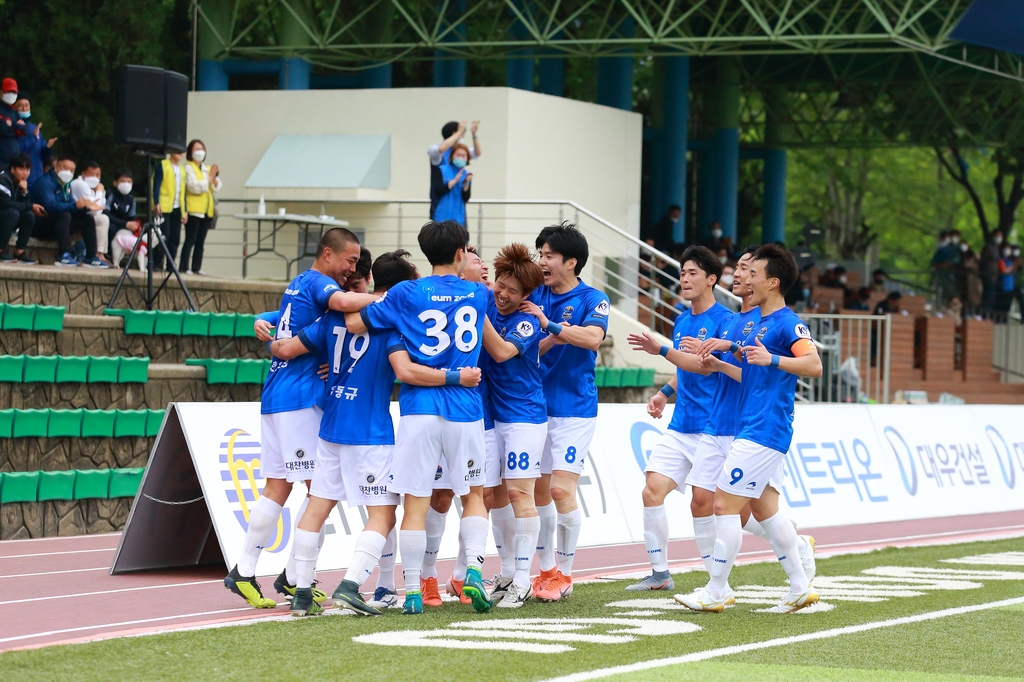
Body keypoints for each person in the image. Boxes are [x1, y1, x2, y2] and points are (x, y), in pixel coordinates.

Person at [269, 250, 485, 616]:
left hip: (330, 427)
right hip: (371, 432)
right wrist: (456, 376)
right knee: (384, 514)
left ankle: (302, 592)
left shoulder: (332, 318)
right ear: (403, 285)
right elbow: (405, 371)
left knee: (317, 507)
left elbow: (286, 347)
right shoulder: (393, 325)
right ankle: (354, 585)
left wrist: (268, 331)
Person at [345, 219, 493, 616]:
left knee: (415, 502)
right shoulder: (479, 294)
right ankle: (474, 572)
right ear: (461, 253)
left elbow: (355, 322)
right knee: (473, 494)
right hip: (464, 405)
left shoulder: (407, 292)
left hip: (419, 409)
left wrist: (386, 310)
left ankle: (412, 590)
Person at [224, 228, 374, 609]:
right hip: (301, 399)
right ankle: (294, 578)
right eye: (350, 260)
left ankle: (245, 571)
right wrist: (387, 297)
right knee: (319, 490)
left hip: (276, 395)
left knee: (279, 487)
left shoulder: (299, 283)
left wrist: (262, 318)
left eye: (357, 265)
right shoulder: (322, 286)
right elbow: (337, 301)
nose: (350, 268)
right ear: (328, 254)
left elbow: (283, 317)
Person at [678, 243, 822, 614]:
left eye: (752, 273)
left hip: (764, 429)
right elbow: (747, 358)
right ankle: (798, 585)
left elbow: (814, 364)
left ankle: (716, 589)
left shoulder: (788, 322)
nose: (743, 278)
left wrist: (773, 358)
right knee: (766, 510)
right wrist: (728, 349)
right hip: (751, 427)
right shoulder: (758, 322)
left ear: (772, 282)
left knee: (723, 503)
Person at [624, 245, 732, 591]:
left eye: (693, 273)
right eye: (682, 273)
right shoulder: (682, 319)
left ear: (711, 279)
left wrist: (660, 350)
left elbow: (702, 367)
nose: (684, 279)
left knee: (718, 507)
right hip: (680, 426)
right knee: (651, 490)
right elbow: (683, 369)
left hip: (713, 429)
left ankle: (721, 578)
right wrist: (663, 394)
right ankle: (660, 574)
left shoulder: (725, 321)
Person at [518, 222, 611, 603]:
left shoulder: (593, 298)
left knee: (559, 488)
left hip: (575, 408)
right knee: (537, 491)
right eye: (540, 254)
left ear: (571, 262)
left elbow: (592, 338)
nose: (542, 261)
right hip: (534, 406)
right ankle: (546, 571)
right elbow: (527, 350)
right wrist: (550, 334)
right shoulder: (533, 295)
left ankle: (567, 574)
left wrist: (551, 325)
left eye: (550, 255)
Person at [421, 246, 495, 608]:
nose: (482, 265)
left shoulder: (479, 298)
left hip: (467, 408)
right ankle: (428, 577)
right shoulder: (430, 297)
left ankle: (469, 574)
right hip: (441, 406)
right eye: (474, 258)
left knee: (474, 494)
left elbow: (501, 349)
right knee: (440, 496)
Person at [479, 243, 547, 608]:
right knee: (494, 496)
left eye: (513, 291)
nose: (503, 295)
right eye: (500, 286)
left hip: (524, 417)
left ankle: (524, 577)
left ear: (526, 296)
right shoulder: (487, 300)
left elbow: (502, 352)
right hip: (490, 417)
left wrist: (480, 308)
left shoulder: (525, 320)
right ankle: (506, 571)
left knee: (521, 494)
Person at [28, 156, 106, 268]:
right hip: (39, 225)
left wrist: (86, 207)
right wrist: (76, 205)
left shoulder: (66, 185)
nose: (68, 172)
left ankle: (91, 257)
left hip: (57, 226)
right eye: (65, 168)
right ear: (56, 167)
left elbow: (71, 206)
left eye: (71, 170)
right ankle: (64, 255)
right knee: (64, 215)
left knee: (87, 219)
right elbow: (50, 206)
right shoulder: (45, 183)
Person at [182, 139, 220, 275]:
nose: (200, 152)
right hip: (193, 210)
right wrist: (209, 178)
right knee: (190, 239)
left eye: (202, 149)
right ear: (190, 152)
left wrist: (214, 177)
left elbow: (216, 186)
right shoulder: (188, 167)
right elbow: (193, 186)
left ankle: (196, 267)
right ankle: (184, 267)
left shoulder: (206, 168)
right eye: (196, 149)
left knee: (200, 242)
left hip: (206, 210)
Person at [429, 120, 480, 219]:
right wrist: (458, 133)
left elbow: (477, 153)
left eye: (463, 156)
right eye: (462, 133)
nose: (460, 157)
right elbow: (441, 149)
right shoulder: (436, 149)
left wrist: (474, 135)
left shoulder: (464, 171)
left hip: (458, 211)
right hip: (441, 207)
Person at [0, 153, 44, 264]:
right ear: (13, 169)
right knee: (13, 213)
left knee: (29, 215)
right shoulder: (3, 180)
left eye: (28, 169)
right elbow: (7, 204)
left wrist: (24, 193)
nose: (25, 173)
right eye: (21, 169)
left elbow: (23, 207)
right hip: (5, 213)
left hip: (5, 215)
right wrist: (30, 206)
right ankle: (1, 250)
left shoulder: (20, 182)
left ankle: (19, 252)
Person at [151, 151, 188, 270]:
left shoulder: (182, 169)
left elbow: (183, 191)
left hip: (177, 207)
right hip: (164, 205)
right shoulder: (163, 165)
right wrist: (156, 202)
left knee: (175, 237)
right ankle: (157, 263)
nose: (180, 153)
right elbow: (156, 184)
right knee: (163, 235)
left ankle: (171, 264)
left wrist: (185, 210)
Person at [70, 161, 111, 264]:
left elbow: (100, 207)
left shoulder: (93, 187)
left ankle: (100, 254)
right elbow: (95, 210)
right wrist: (100, 191)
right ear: (83, 174)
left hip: (86, 218)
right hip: (75, 218)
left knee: (103, 219)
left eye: (97, 175)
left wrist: (98, 192)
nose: (94, 178)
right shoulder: (80, 184)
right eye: (91, 174)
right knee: (102, 219)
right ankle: (96, 255)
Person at [105, 169, 146, 269]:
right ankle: (107, 257)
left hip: (124, 226)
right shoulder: (110, 194)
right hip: (111, 223)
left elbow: (132, 218)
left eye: (129, 182)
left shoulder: (131, 200)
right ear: (115, 183)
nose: (126, 184)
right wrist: (125, 224)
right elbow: (105, 213)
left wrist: (135, 225)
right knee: (110, 228)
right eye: (123, 181)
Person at [12, 97, 56, 188]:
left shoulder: (34, 127)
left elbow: (44, 156)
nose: (24, 109)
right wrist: (33, 138)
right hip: (19, 180)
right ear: (14, 108)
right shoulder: (12, 127)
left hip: (37, 178)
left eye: (27, 105)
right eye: (20, 106)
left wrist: (48, 148)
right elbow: (17, 150)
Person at [432, 143, 472, 226]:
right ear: (452, 156)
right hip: (441, 216)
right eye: (458, 155)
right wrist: (453, 181)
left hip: (459, 218)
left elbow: (466, 198)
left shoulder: (467, 174)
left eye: (463, 156)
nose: (460, 158)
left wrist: (465, 185)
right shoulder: (442, 170)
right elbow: (436, 191)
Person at [0, 78, 27, 171]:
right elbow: (3, 129)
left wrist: (12, 125)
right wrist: (16, 129)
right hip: (2, 161)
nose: (11, 95)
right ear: (1, 92)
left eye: (14, 92)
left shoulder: (13, 111)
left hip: (14, 162)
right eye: (9, 91)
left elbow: (24, 130)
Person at [980, 231, 1002, 317]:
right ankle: (985, 315)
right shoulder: (988, 247)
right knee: (988, 296)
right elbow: (983, 262)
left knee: (992, 297)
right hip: (988, 276)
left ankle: (989, 314)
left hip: (995, 276)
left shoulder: (997, 248)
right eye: (997, 236)